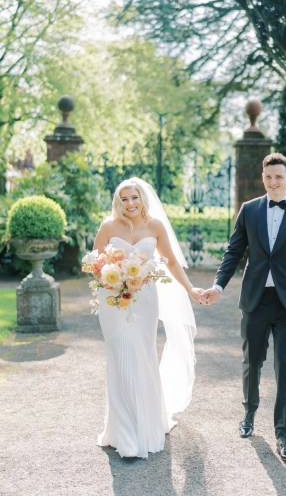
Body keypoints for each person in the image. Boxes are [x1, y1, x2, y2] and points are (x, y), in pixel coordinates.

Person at [202, 153, 286, 462]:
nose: (273, 182)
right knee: (251, 362)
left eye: (279, 177)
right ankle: (249, 414)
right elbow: (234, 251)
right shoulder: (249, 210)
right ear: (263, 177)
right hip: (255, 300)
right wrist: (217, 285)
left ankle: (284, 435)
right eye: (269, 177)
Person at [92, 177, 204, 459]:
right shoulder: (108, 227)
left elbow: (171, 261)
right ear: (118, 202)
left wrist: (190, 289)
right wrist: (108, 276)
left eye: (134, 198)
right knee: (119, 357)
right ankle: (124, 434)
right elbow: (94, 262)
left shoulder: (155, 226)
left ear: (143, 199)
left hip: (144, 301)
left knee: (143, 357)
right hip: (113, 300)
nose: (130, 204)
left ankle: (146, 424)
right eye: (124, 199)